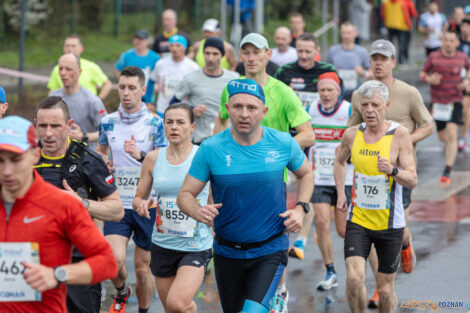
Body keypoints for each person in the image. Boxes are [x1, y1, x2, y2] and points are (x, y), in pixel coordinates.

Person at [177, 78, 314, 313]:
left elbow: (307, 175)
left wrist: (300, 208)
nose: (244, 114)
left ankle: (276, 296)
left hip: (270, 250)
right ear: (227, 109)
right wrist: (198, 211)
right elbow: (185, 195)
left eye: (251, 108)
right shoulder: (210, 148)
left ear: (264, 111)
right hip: (226, 251)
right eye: (237, 107)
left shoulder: (282, 143)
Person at [214, 34, 315, 313]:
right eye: (244, 52)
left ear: (268, 55)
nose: (250, 58)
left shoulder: (281, 92)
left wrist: (276, 151)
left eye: (256, 52)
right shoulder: (231, 88)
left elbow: (308, 134)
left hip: (271, 181)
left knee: (269, 238)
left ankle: (277, 295)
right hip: (233, 179)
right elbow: (219, 127)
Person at [0, 116, 118, 313]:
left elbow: (107, 263)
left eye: (16, 160)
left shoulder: (61, 204)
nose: (7, 171)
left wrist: (57, 275)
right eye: (0, 161)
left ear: (35, 155)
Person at [349, 39, 434, 307]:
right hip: (368, 177)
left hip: (398, 173)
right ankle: (378, 287)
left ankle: (405, 245)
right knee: (371, 230)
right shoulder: (359, 94)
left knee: (399, 227)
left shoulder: (408, 93)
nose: (377, 62)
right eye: (374, 57)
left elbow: (428, 125)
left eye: (383, 58)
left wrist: (403, 142)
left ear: (393, 63)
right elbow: (351, 130)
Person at [33, 96, 124, 313]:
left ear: (69, 125)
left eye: (55, 126)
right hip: (36, 261)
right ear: (35, 125)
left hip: (79, 263)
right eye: (43, 126)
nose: (48, 133)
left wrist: (81, 203)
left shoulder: (87, 159)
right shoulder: (27, 159)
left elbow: (117, 210)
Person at [335, 80, 417, 313]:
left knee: (385, 290)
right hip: (358, 220)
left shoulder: (399, 135)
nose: (370, 110)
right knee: (353, 279)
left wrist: (392, 170)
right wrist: (341, 191)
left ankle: (405, 242)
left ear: (386, 105)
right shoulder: (351, 135)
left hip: (390, 224)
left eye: (375, 105)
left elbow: (412, 178)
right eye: (365, 105)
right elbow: (340, 161)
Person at [96, 66, 168, 313]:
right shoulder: (107, 122)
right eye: (122, 87)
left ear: (143, 90)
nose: (126, 93)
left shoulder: (156, 123)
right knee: (113, 261)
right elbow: (102, 151)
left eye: (131, 88)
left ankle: (143, 310)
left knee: (142, 267)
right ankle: (121, 291)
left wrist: (140, 156)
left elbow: (165, 160)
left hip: (146, 204)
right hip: (117, 203)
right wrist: (102, 161)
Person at [133, 103, 212, 313]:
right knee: (173, 308)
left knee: (177, 303)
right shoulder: (153, 158)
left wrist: (214, 217)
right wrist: (141, 203)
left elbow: (215, 197)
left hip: (195, 244)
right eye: (169, 122)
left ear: (192, 126)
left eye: (180, 122)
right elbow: (139, 197)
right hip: (163, 243)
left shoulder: (203, 156)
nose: (174, 127)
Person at [289, 72, 354, 291]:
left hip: (345, 177)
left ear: (339, 91)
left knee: (344, 231)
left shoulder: (349, 110)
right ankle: (331, 271)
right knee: (323, 224)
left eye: (330, 90)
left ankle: (357, 266)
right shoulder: (311, 110)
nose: (325, 94)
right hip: (319, 178)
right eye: (322, 90)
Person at [420, 31, 470, 184]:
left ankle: (448, 168)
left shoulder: (462, 57)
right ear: (442, 41)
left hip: (454, 101)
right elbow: (423, 73)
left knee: (452, 135)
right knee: (443, 137)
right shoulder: (434, 57)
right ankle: (450, 149)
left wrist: (466, 81)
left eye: (451, 40)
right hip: (438, 102)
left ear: (456, 42)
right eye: (446, 40)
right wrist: (429, 79)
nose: (448, 43)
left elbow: (469, 70)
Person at [171, 37, 239, 145]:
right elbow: (173, 104)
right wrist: (190, 111)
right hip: (199, 141)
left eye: (215, 54)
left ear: (222, 55)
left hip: (225, 140)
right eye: (207, 53)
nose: (210, 58)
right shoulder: (191, 78)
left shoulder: (233, 79)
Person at [49, 53, 107, 150]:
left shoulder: (92, 101)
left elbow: (108, 131)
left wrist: (84, 136)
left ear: (79, 72)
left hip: (86, 158)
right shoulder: (53, 98)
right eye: (60, 69)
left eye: (68, 69)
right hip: (59, 157)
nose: (63, 73)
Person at [275, 33, 337, 110]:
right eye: (300, 51)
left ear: (317, 51)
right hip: (294, 118)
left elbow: (339, 96)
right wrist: (286, 95)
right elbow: (274, 99)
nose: (303, 56)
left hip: (322, 117)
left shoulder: (328, 70)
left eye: (308, 52)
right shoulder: (284, 71)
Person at [47, 34, 112, 100]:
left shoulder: (91, 67)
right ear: (63, 48)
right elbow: (52, 91)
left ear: (81, 49)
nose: (69, 49)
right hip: (65, 107)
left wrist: (98, 100)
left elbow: (107, 84)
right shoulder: (57, 68)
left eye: (73, 46)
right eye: (67, 46)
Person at [150, 35, 199, 117]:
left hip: (184, 111)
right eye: (172, 45)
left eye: (178, 45)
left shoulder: (193, 67)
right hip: (162, 110)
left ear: (184, 48)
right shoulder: (161, 64)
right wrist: (149, 101)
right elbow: (151, 81)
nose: (174, 49)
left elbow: (197, 90)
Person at [114, 29, 161, 104]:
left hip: (148, 97)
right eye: (136, 39)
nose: (138, 41)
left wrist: (156, 85)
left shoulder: (155, 57)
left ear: (147, 41)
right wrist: (123, 82)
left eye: (141, 39)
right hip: (130, 94)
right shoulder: (126, 55)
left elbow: (161, 74)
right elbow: (117, 69)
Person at [327, 21, 370, 101]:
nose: (346, 36)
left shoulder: (362, 51)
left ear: (355, 33)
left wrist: (363, 73)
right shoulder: (333, 51)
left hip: (355, 93)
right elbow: (326, 71)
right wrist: (333, 71)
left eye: (349, 33)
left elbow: (372, 73)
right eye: (343, 33)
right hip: (337, 93)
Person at [381, 0, 418, 65]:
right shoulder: (403, 2)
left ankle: (388, 59)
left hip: (390, 24)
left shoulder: (386, 2)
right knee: (401, 43)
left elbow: (383, 14)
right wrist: (409, 25)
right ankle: (401, 60)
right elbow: (409, 14)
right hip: (402, 26)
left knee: (390, 43)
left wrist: (385, 22)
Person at [458, 18, 470, 151]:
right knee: (462, 111)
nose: (464, 29)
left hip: (468, 80)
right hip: (457, 81)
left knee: (466, 110)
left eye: (467, 26)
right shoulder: (457, 43)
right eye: (463, 26)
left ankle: (462, 137)